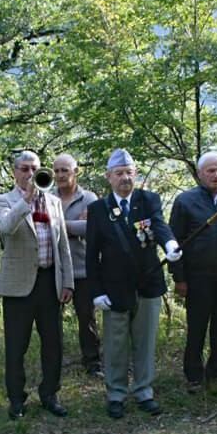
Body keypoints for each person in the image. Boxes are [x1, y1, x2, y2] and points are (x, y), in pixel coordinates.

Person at [85, 149, 180, 418]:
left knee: (145, 341)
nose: (125, 178)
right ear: (109, 177)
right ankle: (116, 395)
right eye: (119, 173)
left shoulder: (148, 200)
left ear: (135, 173)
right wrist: (96, 291)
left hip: (148, 284)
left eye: (129, 172)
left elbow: (159, 225)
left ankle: (144, 392)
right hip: (114, 288)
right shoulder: (98, 210)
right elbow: (91, 256)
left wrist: (169, 243)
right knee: (115, 345)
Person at [0, 150, 74, 419]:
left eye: (35, 169)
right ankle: (17, 400)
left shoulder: (53, 202)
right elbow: (6, 227)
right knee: (16, 346)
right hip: (18, 286)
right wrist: (26, 200)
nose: (30, 174)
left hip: (50, 282)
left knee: (54, 344)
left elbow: (63, 246)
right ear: (15, 172)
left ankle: (50, 394)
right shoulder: (2, 200)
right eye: (25, 169)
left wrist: (68, 283)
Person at [169, 152, 217, 391]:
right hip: (197, 277)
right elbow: (174, 242)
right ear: (200, 173)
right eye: (211, 170)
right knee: (197, 327)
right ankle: (194, 375)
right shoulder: (185, 201)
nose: (216, 175)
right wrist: (179, 277)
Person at [53, 153, 102, 377]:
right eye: (57, 171)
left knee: (87, 319)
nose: (60, 175)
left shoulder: (89, 198)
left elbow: (93, 230)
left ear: (76, 172)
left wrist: (59, 225)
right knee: (52, 321)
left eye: (65, 170)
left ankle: (92, 363)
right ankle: (53, 362)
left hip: (82, 270)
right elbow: (41, 228)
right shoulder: (46, 197)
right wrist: (75, 226)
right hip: (55, 270)